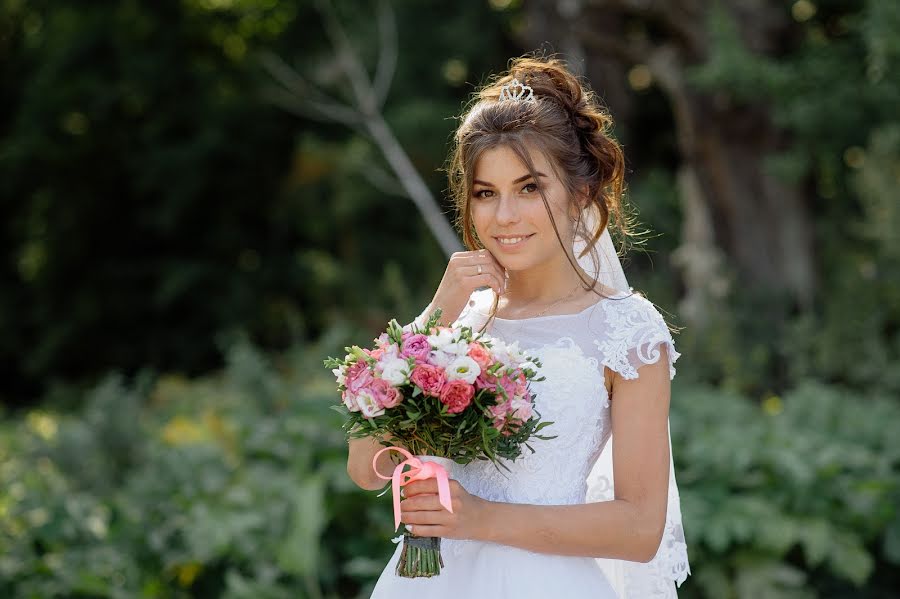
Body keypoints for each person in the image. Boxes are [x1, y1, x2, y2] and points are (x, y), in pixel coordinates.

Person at [347, 54, 691, 598]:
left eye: (529, 188)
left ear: (579, 194)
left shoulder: (626, 331)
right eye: (486, 193)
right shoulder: (458, 319)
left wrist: (480, 518)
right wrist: (433, 319)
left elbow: (640, 529)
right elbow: (366, 468)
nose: (504, 216)